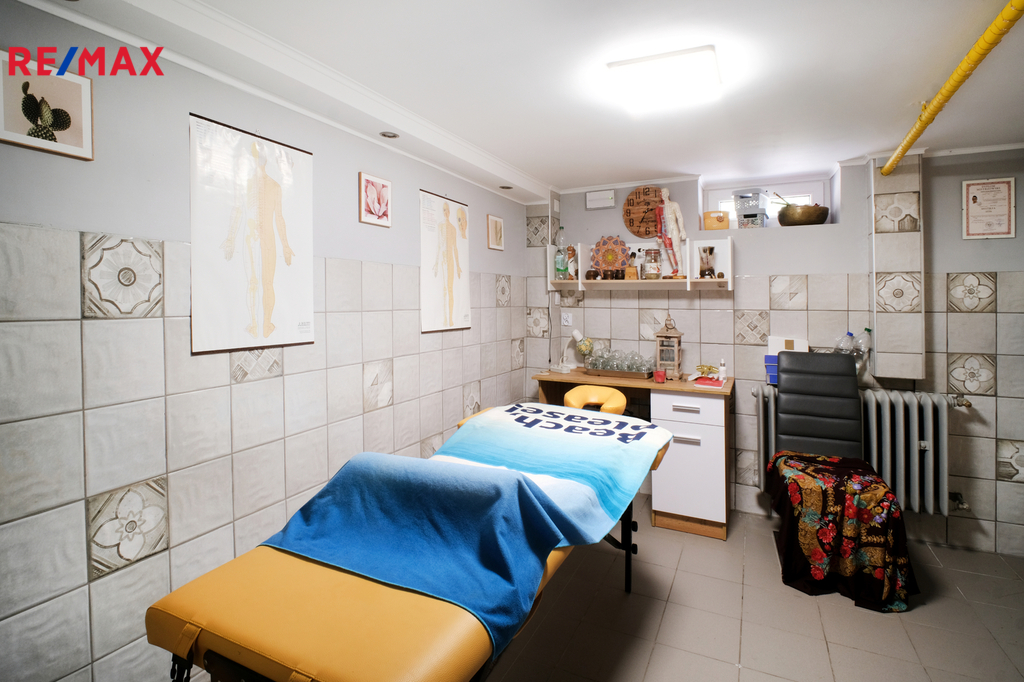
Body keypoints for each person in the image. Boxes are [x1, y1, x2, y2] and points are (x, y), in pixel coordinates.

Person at [222, 141, 294, 339]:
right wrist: (230, 239)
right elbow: (239, 210)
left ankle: (261, 323)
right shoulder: (255, 185)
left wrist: (286, 246)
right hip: (255, 238)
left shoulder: (270, 186)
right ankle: (259, 323)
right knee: (258, 283)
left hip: (258, 238)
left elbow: (278, 218)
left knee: (260, 283)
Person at [433, 202, 463, 326]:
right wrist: (436, 263)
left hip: (450, 260)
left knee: (450, 290)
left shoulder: (453, 228)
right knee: (444, 290)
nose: (446, 212)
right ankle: (445, 318)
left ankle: (450, 318)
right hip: (443, 260)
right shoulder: (440, 226)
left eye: (447, 210)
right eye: (444, 210)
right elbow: (438, 245)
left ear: (450, 212)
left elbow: (455, 247)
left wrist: (458, 266)